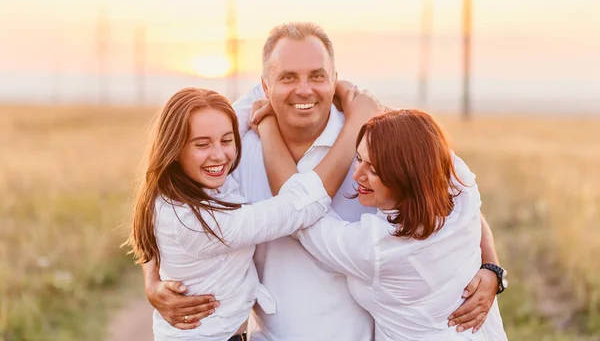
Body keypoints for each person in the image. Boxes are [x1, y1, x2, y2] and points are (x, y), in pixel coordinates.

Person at [143, 22, 507, 340]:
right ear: (264, 87)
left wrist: (490, 267)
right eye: (288, 77)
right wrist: (152, 278)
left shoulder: (379, 141)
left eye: (317, 76)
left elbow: (455, 198)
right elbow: (164, 189)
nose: (305, 89)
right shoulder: (233, 141)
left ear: (334, 80)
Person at [125, 87, 378, 340]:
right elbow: (299, 207)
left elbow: (257, 94)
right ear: (174, 149)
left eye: (226, 140)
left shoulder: (175, 186)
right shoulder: (196, 221)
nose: (219, 155)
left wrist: (329, 89)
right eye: (202, 144)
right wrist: (356, 122)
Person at [256, 108, 508, 340]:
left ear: (407, 175)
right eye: (358, 158)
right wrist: (492, 268)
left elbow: (296, 209)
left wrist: (267, 125)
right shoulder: (455, 184)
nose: (357, 175)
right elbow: (473, 209)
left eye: (375, 170)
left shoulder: (377, 248)